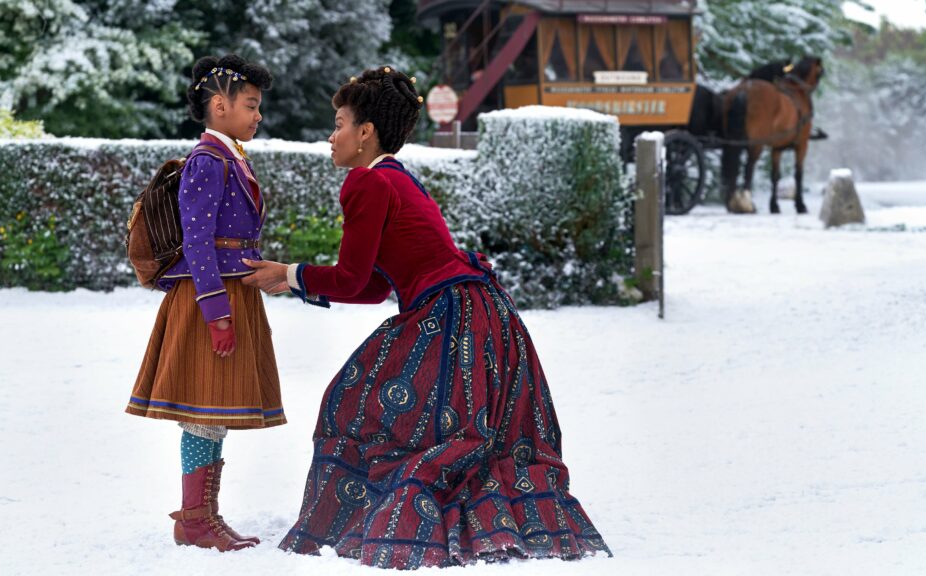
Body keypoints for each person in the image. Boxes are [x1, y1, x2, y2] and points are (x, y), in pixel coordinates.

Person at [242, 66, 611, 568]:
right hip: (480, 314)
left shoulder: (366, 183)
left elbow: (353, 280)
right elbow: (375, 287)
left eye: (339, 123)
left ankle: (384, 515)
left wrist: (290, 273)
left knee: (358, 406)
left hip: (452, 316)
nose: (332, 136)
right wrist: (294, 278)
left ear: (365, 132)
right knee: (440, 431)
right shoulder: (395, 178)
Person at [125, 54, 285, 553]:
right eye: (251, 105)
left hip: (228, 291)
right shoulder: (206, 161)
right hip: (206, 298)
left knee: (212, 410)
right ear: (220, 105)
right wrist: (217, 313)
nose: (258, 115)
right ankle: (194, 517)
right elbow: (197, 243)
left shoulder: (229, 157)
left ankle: (204, 513)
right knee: (201, 410)